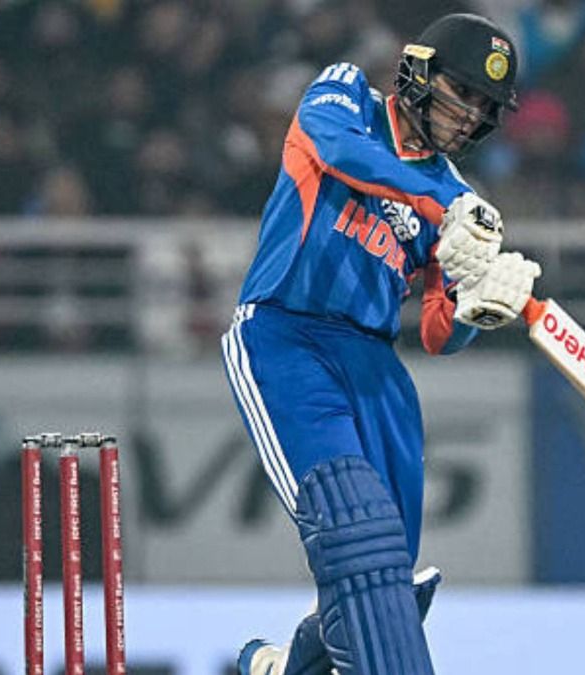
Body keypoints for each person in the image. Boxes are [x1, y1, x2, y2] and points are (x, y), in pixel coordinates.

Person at [220, 13, 542, 675]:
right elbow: (333, 147)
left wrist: (479, 307)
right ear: (421, 74)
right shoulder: (347, 98)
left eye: (483, 107)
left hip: (376, 368)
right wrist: (439, 205)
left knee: (380, 585)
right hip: (287, 332)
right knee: (354, 529)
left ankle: (288, 666)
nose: (468, 114)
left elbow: (434, 331)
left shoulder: (458, 198)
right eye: (462, 91)